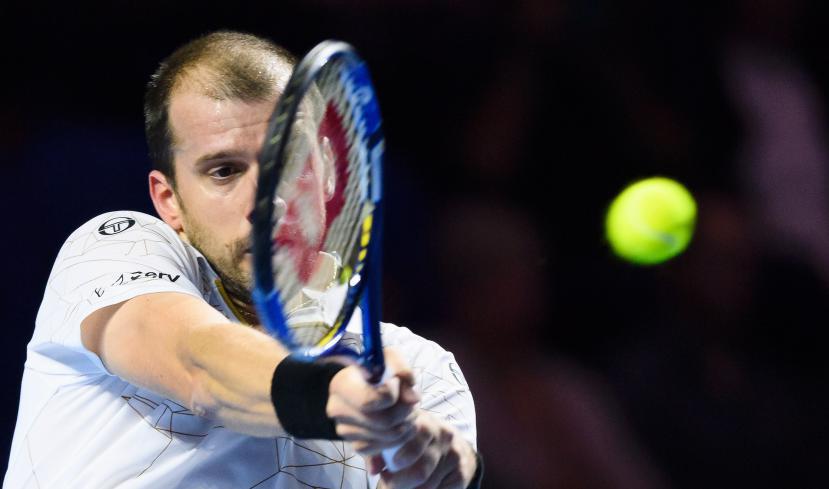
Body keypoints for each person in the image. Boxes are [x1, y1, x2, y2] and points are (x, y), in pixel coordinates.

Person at [4, 31, 480, 489]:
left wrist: (435, 465)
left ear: (331, 174)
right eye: (225, 171)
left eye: (288, 161)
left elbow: (432, 466)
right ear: (169, 200)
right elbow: (198, 362)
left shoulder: (426, 375)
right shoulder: (114, 249)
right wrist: (330, 393)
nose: (265, 200)